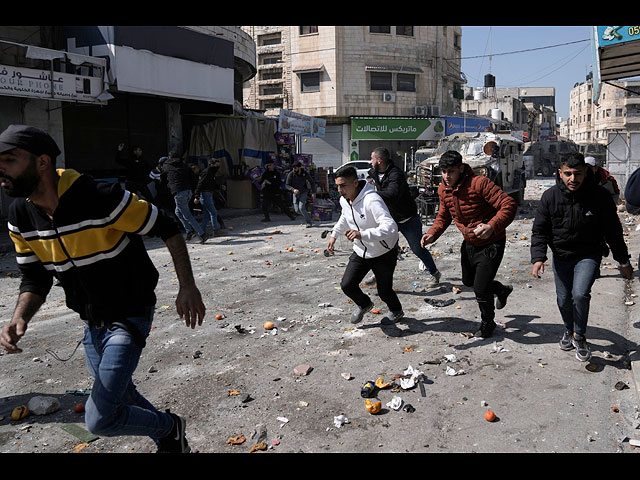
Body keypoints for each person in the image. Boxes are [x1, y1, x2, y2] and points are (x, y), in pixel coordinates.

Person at [0, 125, 206, 453]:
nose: (1, 169)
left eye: (9, 160)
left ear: (41, 163)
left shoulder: (99, 197)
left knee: (99, 419)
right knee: (121, 396)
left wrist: (187, 286)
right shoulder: (20, 217)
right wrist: (19, 317)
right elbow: (35, 278)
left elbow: (166, 225)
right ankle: (170, 439)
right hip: (91, 323)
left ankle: (170, 426)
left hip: (130, 312)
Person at [531, 152, 632, 362]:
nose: (572, 179)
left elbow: (613, 231)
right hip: (561, 255)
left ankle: (580, 335)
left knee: (580, 294)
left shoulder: (599, 197)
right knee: (563, 299)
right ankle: (568, 330)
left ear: (585, 173)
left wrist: (623, 261)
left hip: (589, 254)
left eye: (577, 174)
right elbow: (539, 230)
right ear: (560, 173)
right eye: (567, 174)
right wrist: (538, 257)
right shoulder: (550, 197)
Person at [421, 150, 516, 339]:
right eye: (444, 171)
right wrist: (432, 234)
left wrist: (491, 226)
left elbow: (509, 205)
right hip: (470, 242)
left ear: (461, 169)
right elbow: (444, 216)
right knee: (468, 282)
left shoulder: (479, 183)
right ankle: (500, 290)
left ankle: (488, 324)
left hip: (492, 242)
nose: (447, 176)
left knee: (481, 289)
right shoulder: (443, 189)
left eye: (451, 171)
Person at [326, 166, 403, 325]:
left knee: (384, 291)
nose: (340, 190)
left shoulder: (371, 200)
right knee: (347, 285)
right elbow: (344, 217)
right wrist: (334, 235)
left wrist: (363, 234)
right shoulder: (344, 200)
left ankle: (396, 311)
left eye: (343, 185)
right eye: (337, 186)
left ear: (355, 182)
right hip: (361, 250)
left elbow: (390, 226)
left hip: (384, 251)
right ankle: (364, 304)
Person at [368, 147, 441, 288]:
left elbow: (392, 193)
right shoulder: (374, 173)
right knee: (383, 248)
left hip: (407, 219)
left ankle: (434, 273)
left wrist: (373, 195)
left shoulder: (396, 174)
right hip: (390, 219)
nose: (370, 162)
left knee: (417, 249)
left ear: (379, 160)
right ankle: (378, 275)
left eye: (372, 158)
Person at [161, 151, 208, 244]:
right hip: (188, 191)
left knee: (187, 215)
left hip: (179, 192)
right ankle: (189, 232)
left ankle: (202, 234)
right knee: (178, 212)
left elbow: (163, 178)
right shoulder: (184, 165)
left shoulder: (167, 165)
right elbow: (193, 177)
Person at [193, 158, 225, 235]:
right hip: (205, 195)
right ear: (211, 165)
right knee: (213, 212)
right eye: (216, 165)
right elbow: (200, 184)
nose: (217, 167)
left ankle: (202, 231)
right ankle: (216, 230)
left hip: (208, 194)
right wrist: (197, 196)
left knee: (207, 215)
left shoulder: (211, 172)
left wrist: (219, 187)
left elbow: (212, 183)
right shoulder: (207, 172)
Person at [286, 161, 316, 228]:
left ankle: (309, 222)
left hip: (303, 192)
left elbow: (312, 183)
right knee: (297, 210)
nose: (294, 169)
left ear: (299, 168)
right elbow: (287, 185)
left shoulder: (305, 174)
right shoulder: (291, 174)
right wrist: (293, 189)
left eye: (296, 168)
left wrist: (313, 193)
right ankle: (307, 215)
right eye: (293, 168)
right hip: (295, 193)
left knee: (301, 208)